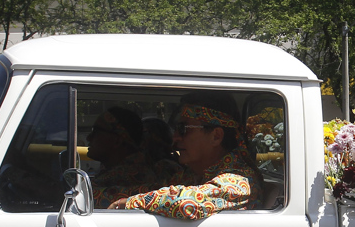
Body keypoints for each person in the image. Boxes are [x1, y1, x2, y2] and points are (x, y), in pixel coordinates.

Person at [110, 92, 262, 219]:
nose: (175, 137)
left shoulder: (239, 181)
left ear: (216, 136)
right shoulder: (193, 175)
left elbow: (187, 203)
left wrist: (128, 203)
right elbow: (155, 189)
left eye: (183, 129)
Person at [89, 107, 184, 207]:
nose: (89, 137)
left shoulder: (128, 174)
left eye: (96, 132)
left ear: (117, 141)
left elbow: (84, 197)